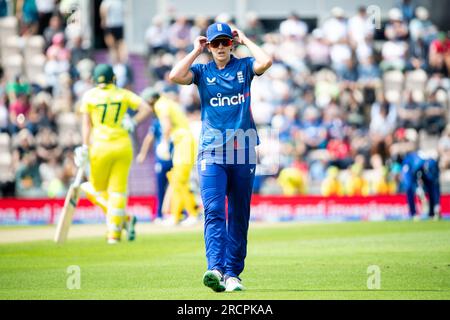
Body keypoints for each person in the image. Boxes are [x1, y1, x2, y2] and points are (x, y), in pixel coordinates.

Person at [169, 22, 272, 292]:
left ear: (231, 44)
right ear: (209, 46)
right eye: (215, 43)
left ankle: (232, 275)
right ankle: (214, 268)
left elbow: (267, 61)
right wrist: (194, 51)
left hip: (244, 148)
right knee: (214, 211)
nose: (220, 48)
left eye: (224, 42)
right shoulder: (202, 71)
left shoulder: (244, 66)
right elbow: (174, 76)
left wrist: (246, 39)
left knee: (238, 214)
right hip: (211, 150)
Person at [74, 64, 152, 244]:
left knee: (94, 189)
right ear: (114, 78)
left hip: (100, 147)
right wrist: (133, 121)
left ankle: (124, 218)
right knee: (117, 192)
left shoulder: (90, 96)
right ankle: (114, 233)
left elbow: (87, 125)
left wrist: (84, 146)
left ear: (94, 80)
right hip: (123, 146)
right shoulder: (122, 94)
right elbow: (146, 108)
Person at [137, 88, 198, 226]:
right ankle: (175, 216)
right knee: (176, 179)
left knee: (179, 180)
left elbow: (167, 126)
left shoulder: (160, 105)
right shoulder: (166, 102)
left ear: (151, 100)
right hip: (182, 142)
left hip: (184, 142)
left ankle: (193, 214)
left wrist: (164, 143)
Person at [401, 151, 441, 221]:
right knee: (409, 188)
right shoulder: (417, 163)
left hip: (420, 171)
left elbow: (435, 185)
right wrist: (419, 189)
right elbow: (414, 178)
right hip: (409, 169)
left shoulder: (433, 164)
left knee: (431, 187)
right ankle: (413, 213)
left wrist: (437, 205)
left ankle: (432, 213)